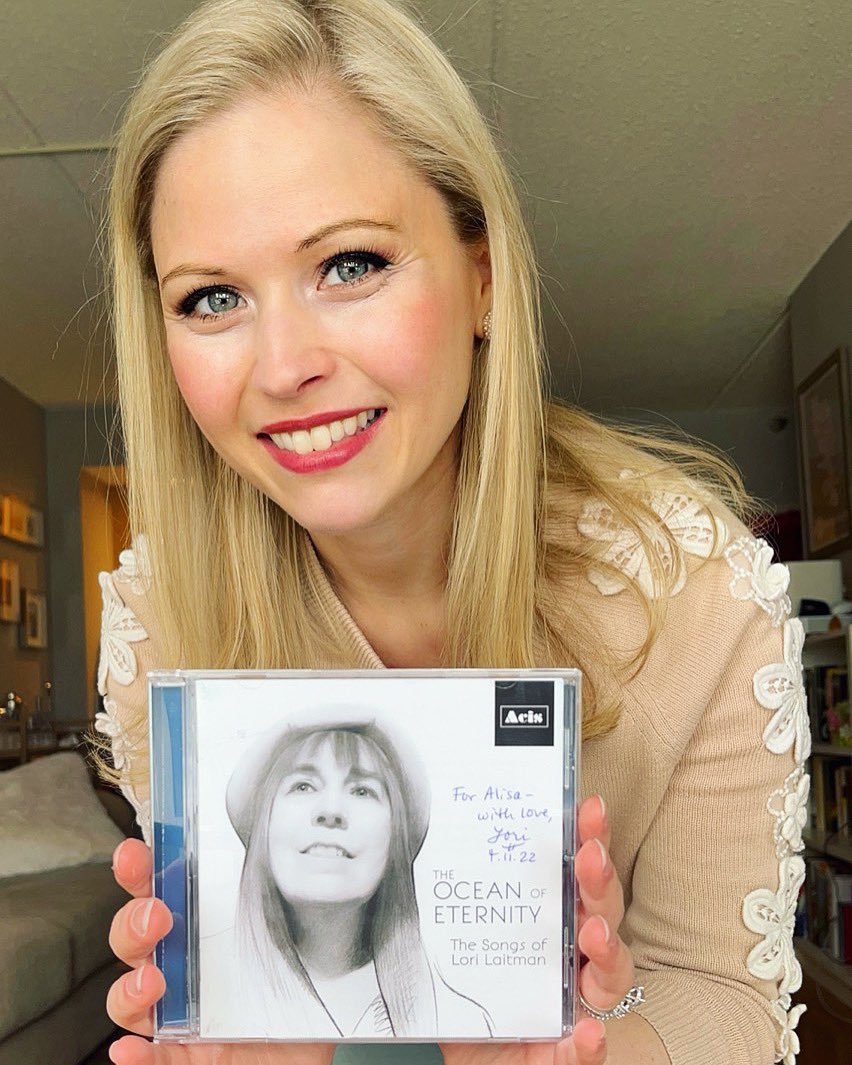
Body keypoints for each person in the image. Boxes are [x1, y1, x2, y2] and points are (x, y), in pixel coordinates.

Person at [96, 1, 807, 1063]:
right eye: (211, 298)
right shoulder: (161, 620)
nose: (283, 367)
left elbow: (731, 1000)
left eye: (349, 265)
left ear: (482, 277)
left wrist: (601, 1049)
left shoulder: (700, 601)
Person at [203, 712, 492, 1038]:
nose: (331, 811)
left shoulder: (462, 1024)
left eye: (362, 791)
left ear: (395, 836)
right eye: (302, 786)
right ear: (262, 825)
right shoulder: (197, 988)